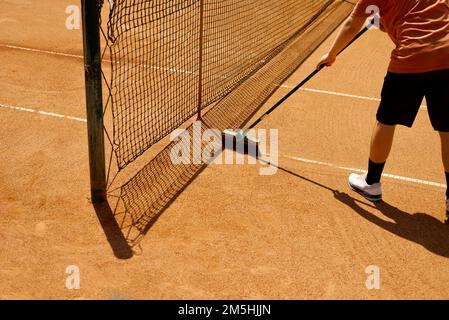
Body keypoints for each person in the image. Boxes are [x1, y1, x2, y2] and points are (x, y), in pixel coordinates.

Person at [317, 0, 449, 222]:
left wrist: (331, 55)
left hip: (411, 59)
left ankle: (371, 182)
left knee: (386, 121)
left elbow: (352, 24)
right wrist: (386, 22)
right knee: (448, 129)